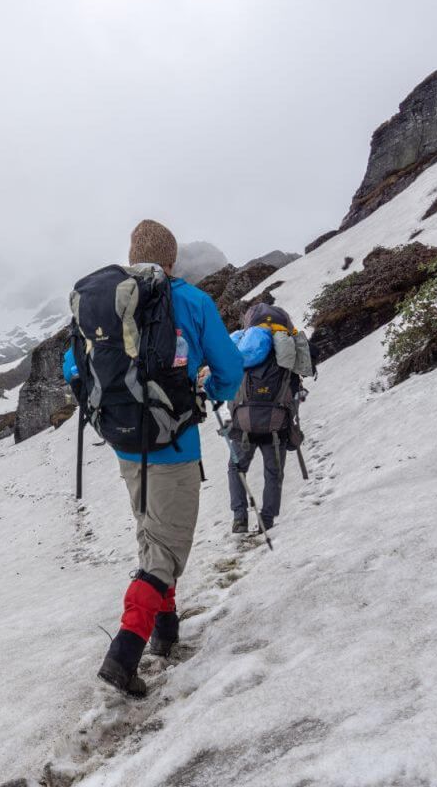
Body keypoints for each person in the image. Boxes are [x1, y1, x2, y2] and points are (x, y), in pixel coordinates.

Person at [63, 219, 243, 697]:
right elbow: (230, 369)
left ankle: (166, 631)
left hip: (126, 443)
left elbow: (70, 366)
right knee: (164, 549)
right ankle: (124, 654)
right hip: (174, 446)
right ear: (172, 259)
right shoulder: (191, 301)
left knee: (151, 533)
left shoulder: (111, 301)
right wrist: (209, 392)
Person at [225, 302, 312, 534]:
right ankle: (267, 520)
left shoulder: (245, 351)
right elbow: (295, 391)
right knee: (274, 472)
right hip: (277, 426)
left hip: (243, 424)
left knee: (236, 468)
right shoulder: (287, 354)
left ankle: (239, 517)